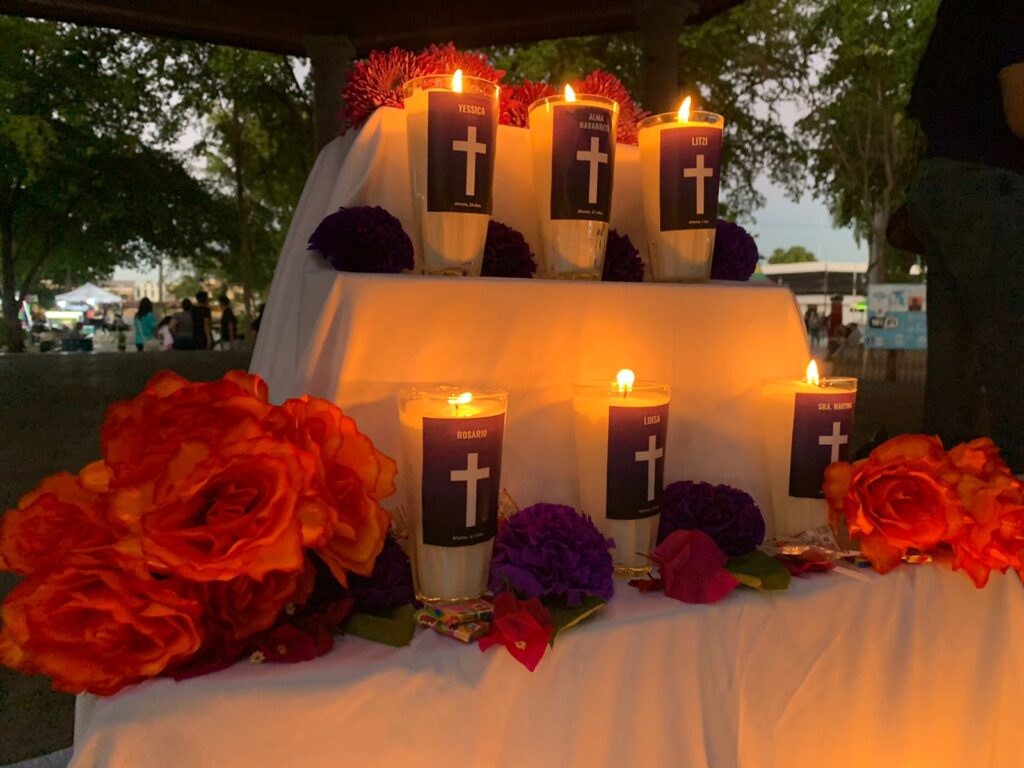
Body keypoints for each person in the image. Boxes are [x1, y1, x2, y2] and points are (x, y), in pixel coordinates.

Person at [906, 0, 1024, 471]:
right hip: (993, 188)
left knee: (953, 368)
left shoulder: (964, 14)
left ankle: (945, 497)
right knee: (1012, 358)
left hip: (943, 184)